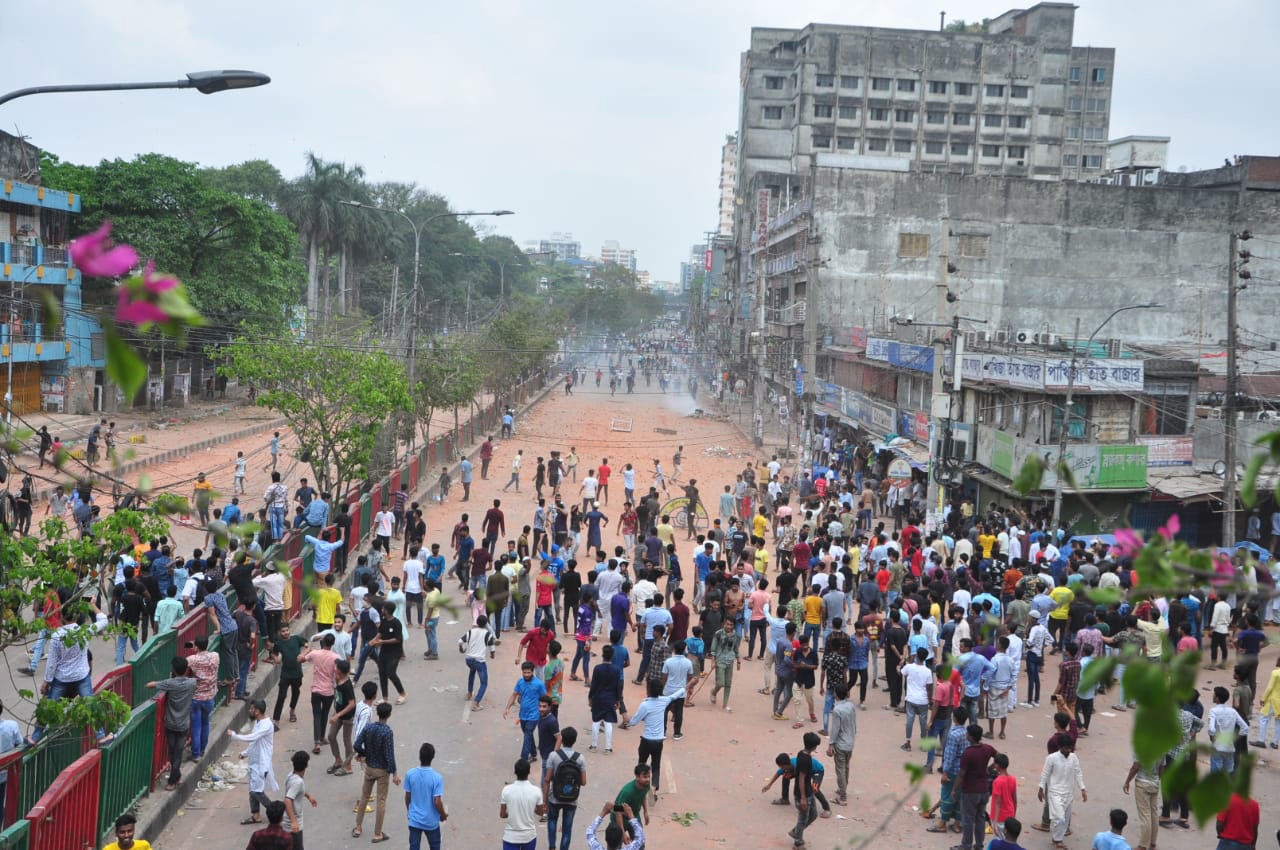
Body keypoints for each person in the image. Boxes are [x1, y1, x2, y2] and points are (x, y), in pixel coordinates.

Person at [624, 679, 685, 796]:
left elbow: (634, 721)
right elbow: (675, 695)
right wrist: (684, 687)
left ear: (648, 690)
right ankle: (654, 786)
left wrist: (628, 721)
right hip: (658, 742)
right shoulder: (664, 701)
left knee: (642, 763)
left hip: (646, 741)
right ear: (661, 691)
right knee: (655, 766)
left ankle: (640, 785)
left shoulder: (645, 705)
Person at [147, 656, 197, 791]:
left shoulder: (170, 683)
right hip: (184, 724)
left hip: (170, 723)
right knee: (177, 753)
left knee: (173, 752)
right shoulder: (192, 683)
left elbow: (151, 685)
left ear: (174, 670)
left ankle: (172, 781)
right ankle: (176, 777)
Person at [353, 701, 401, 841]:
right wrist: (395, 773)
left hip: (369, 768)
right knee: (381, 801)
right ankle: (377, 833)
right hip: (381, 771)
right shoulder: (387, 731)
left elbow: (356, 744)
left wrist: (363, 753)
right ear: (389, 715)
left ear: (378, 713)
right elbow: (389, 754)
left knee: (364, 797)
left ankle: (358, 827)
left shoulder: (369, 727)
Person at [229, 699, 278, 825]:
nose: (250, 711)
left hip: (262, 763)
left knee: (257, 791)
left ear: (257, 711)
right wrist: (245, 753)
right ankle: (256, 815)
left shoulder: (266, 725)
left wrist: (235, 735)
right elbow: (254, 743)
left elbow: (252, 737)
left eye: (251, 709)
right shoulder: (258, 722)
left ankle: (276, 811)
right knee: (253, 790)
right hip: (254, 762)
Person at [543, 726, 587, 850]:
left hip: (554, 796)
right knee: (567, 828)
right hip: (572, 798)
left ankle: (552, 846)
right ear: (575, 740)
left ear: (561, 740)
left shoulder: (553, 756)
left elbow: (547, 779)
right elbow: (583, 782)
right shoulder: (580, 758)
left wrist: (544, 799)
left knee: (552, 821)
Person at [1039, 736, 1087, 849]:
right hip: (1055, 792)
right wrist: (1041, 788)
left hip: (1069, 793)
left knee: (1065, 818)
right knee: (1059, 817)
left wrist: (1083, 789)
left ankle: (1057, 840)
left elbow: (1078, 773)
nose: (1068, 751)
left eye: (1070, 748)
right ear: (1060, 747)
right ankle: (1057, 839)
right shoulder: (1051, 758)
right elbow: (1045, 773)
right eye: (1066, 748)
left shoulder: (1074, 758)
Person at [958, 723, 998, 850]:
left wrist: (954, 789)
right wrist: (989, 769)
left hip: (970, 790)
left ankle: (966, 845)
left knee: (968, 819)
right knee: (980, 817)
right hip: (984, 789)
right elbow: (999, 757)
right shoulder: (987, 748)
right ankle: (979, 845)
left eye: (967, 734)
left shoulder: (968, 753)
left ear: (970, 737)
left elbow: (961, 774)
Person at [405, 742, 447, 850]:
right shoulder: (437, 778)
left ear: (419, 756)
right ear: (432, 757)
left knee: (414, 847)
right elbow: (437, 802)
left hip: (414, 820)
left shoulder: (410, 774)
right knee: (435, 846)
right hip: (431, 821)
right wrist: (442, 815)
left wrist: (409, 811)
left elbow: (408, 796)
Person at [505, 661, 549, 762]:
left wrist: (545, 713)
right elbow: (514, 695)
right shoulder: (520, 682)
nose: (526, 675)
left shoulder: (539, 684)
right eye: (524, 672)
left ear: (532, 672)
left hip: (534, 716)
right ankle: (533, 754)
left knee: (527, 735)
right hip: (522, 715)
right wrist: (507, 708)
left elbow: (545, 698)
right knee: (528, 735)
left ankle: (523, 760)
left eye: (528, 672)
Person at [501, 758, 546, 850]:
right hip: (529, 836)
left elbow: (502, 814)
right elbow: (541, 813)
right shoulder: (536, 791)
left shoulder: (506, 790)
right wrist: (531, 808)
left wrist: (511, 813)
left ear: (515, 772)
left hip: (510, 837)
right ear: (529, 772)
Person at [461, 614, 497, 710]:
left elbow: (460, 641)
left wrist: (461, 649)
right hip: (479, 661)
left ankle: (469, 693)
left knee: (472, 672)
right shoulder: (487, 634)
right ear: (486, 624)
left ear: (477, 622)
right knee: (484, 683)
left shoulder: (470, 631)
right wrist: (492, 654)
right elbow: (492, 647)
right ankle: (476, 703)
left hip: (469, 659)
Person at [283, 749, 318, 848]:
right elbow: (287, 799)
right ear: (306, 765)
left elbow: (295, 790)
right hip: (293, 823)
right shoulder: (298, 782)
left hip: (289, 820)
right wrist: (294, 821)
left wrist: (308, 796)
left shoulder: (291, 775)